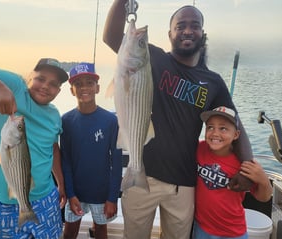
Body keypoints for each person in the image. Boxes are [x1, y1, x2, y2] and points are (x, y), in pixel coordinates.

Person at [103, 2, 254, 239]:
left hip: (183, 184)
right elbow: (111, 36)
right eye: (180, 25)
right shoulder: (153, 58)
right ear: (170, 33)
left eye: (194, 26)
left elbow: (237, 126)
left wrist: (247, 168)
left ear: (202, 33)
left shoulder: (213, 82)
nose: (187, 30)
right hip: (142, 172)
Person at [0, 58, 67, 239]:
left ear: (59, 91)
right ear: (30, 76)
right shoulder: (13, 85)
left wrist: (61, 183)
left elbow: (52, 149)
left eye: (53, 84)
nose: (45, 86)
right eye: (40, 78)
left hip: (45, 197)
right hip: (2, 202)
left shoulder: (54, 115)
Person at [60, 62, 122, 239]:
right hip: (76, 192)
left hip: (101, 193)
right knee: (70, 232)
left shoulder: (110, 120)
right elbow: (66, 161)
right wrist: (70, 193)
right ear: (72, 90)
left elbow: (116, 163)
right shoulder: (66, 121)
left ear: (97, 88)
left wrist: (112, 197)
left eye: (89, 82)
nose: (84, 87)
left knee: (101, 230)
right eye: (78, 84)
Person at [193, 106, 272, 239]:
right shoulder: (199, 149)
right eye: (210, 127)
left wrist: (263, 180)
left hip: (233, 231)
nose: (215, 133)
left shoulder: (243, 163)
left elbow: (263, 198)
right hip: (202, 228)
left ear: (236, 135)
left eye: (223, 128)